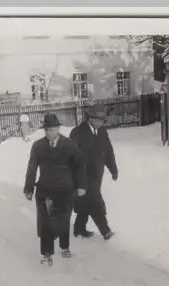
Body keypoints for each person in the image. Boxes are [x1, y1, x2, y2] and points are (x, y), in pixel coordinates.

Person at [23, 114, 87, 265]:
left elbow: (79, 166)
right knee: (45, 222)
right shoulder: (38, 146)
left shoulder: (69, 145)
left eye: (52, 129)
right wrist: (29, 188)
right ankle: (46, 253)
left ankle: (64, 247)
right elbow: (32, 167)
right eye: (47, 130)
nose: (49, 133)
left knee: (63, 219)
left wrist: (81, 186)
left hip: (65, 189)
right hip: (45, 189)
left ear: (58, 129)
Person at [69, 104, 118, 240]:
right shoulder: (77, 133)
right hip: (82, 176)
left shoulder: (102, 131)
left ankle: (79, 229)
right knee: (95, 202)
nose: (101, 123)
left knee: (85, 202)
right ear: (90, 118)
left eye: (103, 121)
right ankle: (105, 231)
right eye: (99, 120)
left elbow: (108, 151)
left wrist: (113, 169)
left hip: (97, 175)